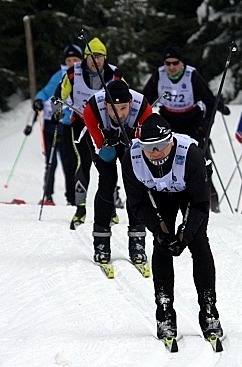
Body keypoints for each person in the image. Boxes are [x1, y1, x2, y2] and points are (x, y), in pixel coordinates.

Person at [121, 113, 223, 344]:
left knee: (198, 242)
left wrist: (185, 234)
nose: (156, 153)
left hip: (189, 194)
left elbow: (199, 204)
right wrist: (158, 229)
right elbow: (137, 203)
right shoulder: (132, 158)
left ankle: (209, 310)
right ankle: (164, 311)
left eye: (161, 146)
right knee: (162, 243)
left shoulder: (191, 154)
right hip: (158, 195)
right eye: (149, 147)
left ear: (171, 141)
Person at [142, 47, 230, 214]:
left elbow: (210, 101)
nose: (172, 67)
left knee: (201, 159)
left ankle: (210, 198)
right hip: (169, 121)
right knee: (166, 159)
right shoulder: (158, 75)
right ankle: (171, 196)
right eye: (168, 63)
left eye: (175, 63)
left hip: (192, 121)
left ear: (182, 63)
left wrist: (205, 126)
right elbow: (145, 101)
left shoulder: (192, 76)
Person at [53, 37, 125, 229]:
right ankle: (80, 208)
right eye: (91, 57)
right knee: (82, 163)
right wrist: (57, 110)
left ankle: (110, 208)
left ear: (105, 58)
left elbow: (127, 95)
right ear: (85, 58)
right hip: (81, 125)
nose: (96, 60)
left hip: (106, 127)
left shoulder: (114, 74)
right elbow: (58, 95)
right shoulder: (73, 74)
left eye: (100, 57)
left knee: (107, 165)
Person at [82, 80, 153, 264]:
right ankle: (101, 242)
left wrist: (132, 139)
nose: (119, 114)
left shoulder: (143, 108)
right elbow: (105, 156)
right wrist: (108, 142)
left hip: (131, 141)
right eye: (113, 109)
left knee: (136, 184)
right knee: (107, 180)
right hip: (105, 144)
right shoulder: (92, 109)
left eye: (123, 108)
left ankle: (137, 240)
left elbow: (143, 150)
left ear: (130, 103)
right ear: (106, 105)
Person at [32, 44, 83, 205]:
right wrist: (39, 100)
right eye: (69, 60)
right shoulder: (60, 74)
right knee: (52, 162)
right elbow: (48, 92)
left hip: (78, 124)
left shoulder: (86, 75)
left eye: (75, 59)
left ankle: (75, 197)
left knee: (74, 164)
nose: (72, 63)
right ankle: (49, 196)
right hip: (61, 123)